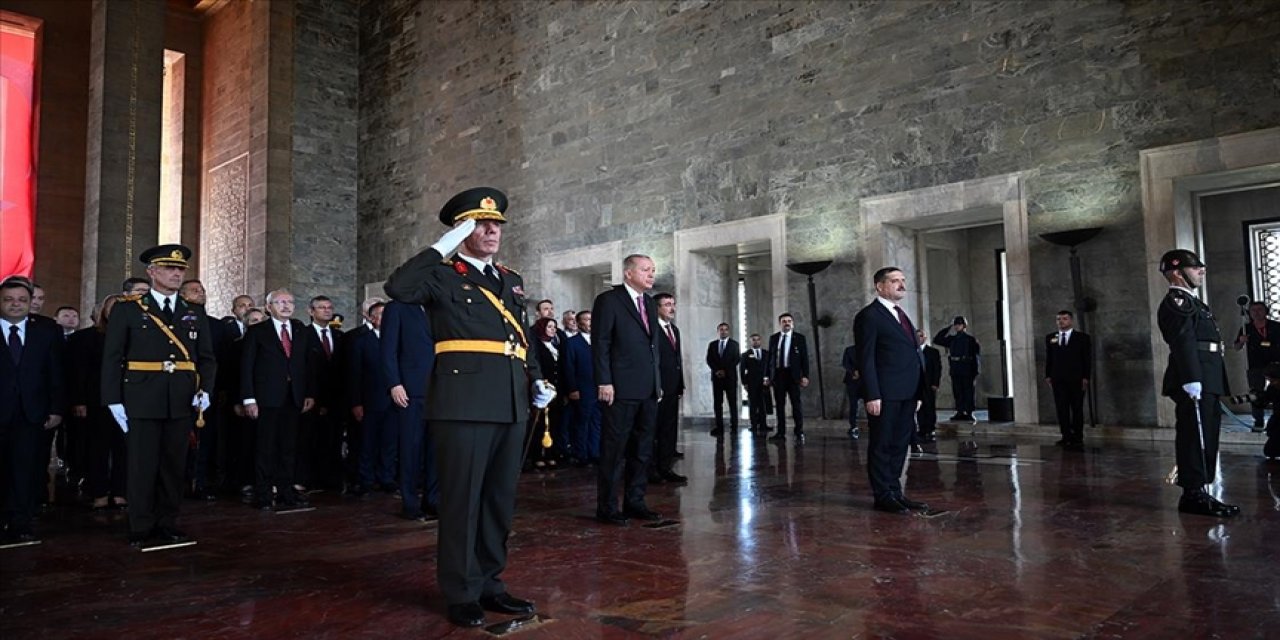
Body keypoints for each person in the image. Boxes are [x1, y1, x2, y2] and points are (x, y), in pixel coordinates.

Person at [383, 187, 552, 628]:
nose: (492, 230)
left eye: (496, 224)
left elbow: (521, 338)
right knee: (463, 501)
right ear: (462, 230)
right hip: (463, 404)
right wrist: (443, 245)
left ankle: (491, 582)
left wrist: (537, 379)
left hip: (511, 402)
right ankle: (460, 590)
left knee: (499, 501)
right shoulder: (441, 275)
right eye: (480, 224)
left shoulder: (511, 279)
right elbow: (398, 287)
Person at [101, 244, 216, 547]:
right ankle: (140, 525)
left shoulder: (194, 312)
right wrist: (113, 399)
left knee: (173, 465)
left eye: (180, 269)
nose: (176, 273)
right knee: (141, 465)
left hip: (180, 398)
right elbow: (113, 357)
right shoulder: (129, 309)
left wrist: (205, 389)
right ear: (152, 272)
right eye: (169, 268)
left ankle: (167, 522)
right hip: (141, 397)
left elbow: (206, 358)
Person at [1156, 249, 1238, 518]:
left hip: (1208, 376)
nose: (1201, 271)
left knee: (1208, 434)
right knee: (1195, 436)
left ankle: (1200, 490)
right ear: (1178, 273)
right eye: (1195, 268)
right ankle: (1193, 494)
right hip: (1195, 379)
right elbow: (1183, 342)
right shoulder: (1176, 302)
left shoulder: (1193, 302)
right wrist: (1192, 378)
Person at [591, 254, 663, 525]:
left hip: (648, 389)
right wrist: (604, 381)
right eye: (645, 270)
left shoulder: (649, 303)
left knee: (643, 450)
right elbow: (601, 344)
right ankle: (607, 507)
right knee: (614, 450)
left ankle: (635, 501)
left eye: (653, 270)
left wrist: (657, 384)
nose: (651, 274)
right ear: (628, 273)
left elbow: (653, 347)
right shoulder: (609, 301)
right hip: (619, 389)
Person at [854, 267, 928, 514]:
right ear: (879, 286)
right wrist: (872, 394)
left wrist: (918, 393)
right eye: (895, 281)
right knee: (882, 445)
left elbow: (912, 354)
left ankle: (895, 491)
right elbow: (866, 359)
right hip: (884, 394)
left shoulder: (901, 314)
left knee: (899, 445)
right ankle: (882, 495)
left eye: (903, 280)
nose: (902, 285)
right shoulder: (869, 316)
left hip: (907, 393)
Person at [0, 276, 64, 543]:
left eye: (22, 300)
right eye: (8, 300)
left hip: (32, 412)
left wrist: (57, 408)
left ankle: (20, 521)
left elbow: (57, 372)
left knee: (25, 469)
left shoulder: (47, 329)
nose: (16, 305)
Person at [240, 289, 317, 510]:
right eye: (280, 302)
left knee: (289, 448)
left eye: (290, 302)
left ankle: (286, 492)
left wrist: (309, 393)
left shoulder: (300, 330)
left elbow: (307, 365)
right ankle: (264, 494)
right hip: (266, 398)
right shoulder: (257, 332)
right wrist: (248, 399)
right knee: (265, 448)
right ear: (268, 307)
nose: (286, 306)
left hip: (294, 398)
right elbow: (247, 368)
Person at [379, 299, 437, 520]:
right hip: (410, 390)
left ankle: (433, 500)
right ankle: (410, 502)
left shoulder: (440, 305)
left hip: (440, 390)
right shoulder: (398, 307)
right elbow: (388, 349)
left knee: (436, 451)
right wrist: (394, 383)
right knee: (410, 449)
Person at [70, 295, 127, 511]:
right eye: (114, 307)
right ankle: (99, 492)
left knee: (125, 448)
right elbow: (79, 372)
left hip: (128, 400)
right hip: (97, 401)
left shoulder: (137, 335)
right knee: (97, 448)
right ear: (103, 311)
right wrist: (79, 401)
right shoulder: (87, 338)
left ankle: (121, 492)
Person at [349, 301, 397, 495]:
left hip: (394, 401)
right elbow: (354, 374)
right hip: (369, 401)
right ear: (372, 318)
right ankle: (366, 480)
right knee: (367, 443)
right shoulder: (361, 341)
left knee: (390, 443)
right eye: (381, 314)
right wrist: (356, 402)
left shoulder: (397, 340)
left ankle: (387, 478)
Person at [1045, 310, 1092, 450]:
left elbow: (1086, 359)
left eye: (1064, 319)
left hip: (1076, 378)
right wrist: (1048, 375)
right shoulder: (1051, 338)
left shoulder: (1082, 338)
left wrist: (1086, 377)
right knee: (1061, 408)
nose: (1061, 321)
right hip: (1057, 378)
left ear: (1071, 321)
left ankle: (1077, 436)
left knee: (1076, 407)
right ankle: (1065, 435)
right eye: (1058, 319)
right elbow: (1049, 358)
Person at [652, 292, 687, 484]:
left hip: (673, 388)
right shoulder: (651, 329)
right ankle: (652, 470)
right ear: (657, 308)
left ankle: (666, 468)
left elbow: (677, 360)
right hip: (657, 389)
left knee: (669, 429)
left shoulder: (674, 329)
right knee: (654, 430)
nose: (672, 308)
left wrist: (680, 384)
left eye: (673, 304)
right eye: (667, 304)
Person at [561, 310, 600, 465]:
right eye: (586, 319)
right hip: (582, 389)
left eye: (592, 319)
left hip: (599, 388)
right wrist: (572, 389)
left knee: (597, 422)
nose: (590, 322)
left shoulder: (598, 341)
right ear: (578, 323)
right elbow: (568, 367)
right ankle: (581, 453)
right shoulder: (572, 343)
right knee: (582, 422)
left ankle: (595, 452)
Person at [1235, 301, 1280, 432]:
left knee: (1277, 391)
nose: (1256, 312)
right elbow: (1236, 347)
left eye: (1260, 309)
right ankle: (1258, 421)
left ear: (1266, 311)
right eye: (1253, 310)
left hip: (1276, 364)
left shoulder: (1276, 326)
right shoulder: (1246, 328)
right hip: (1255, 364)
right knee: (1256, 393)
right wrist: (1241, 341)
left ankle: (1277, 419)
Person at [765, 313, 809, 442]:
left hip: (793, 375)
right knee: (779, 405)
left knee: (796, 404)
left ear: (793, 323)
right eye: (784, 321)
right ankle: (780, 433)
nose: (787, 323)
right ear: (780, 324)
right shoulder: (774, 338)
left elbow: (805, 359)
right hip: (778, 375)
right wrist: (767, 376)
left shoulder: (799, 338)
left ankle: (799, 431)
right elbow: (770, 359)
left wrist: (805, 375)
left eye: (789, 321)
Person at [526, 317, 562, 469]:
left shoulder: (557, 346)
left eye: (554, 327)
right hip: (541, 390)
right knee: (539, 425)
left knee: (554, 424)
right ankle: (536, 456)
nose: (553, 330)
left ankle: (550, 454)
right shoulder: (537, 346)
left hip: (555, 391)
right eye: (549, 327)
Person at [934, 316, 980, 422]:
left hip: (968, 368)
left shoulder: (971, 340)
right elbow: (937, 339)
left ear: (964, 326)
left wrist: (975, 371)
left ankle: (969, 412)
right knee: (957, 391)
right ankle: (959, 411)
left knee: (968, 391)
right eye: (955, 324)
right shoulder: (952, 339)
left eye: (959, 324)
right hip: (956, 368)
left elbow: (976, 356)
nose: (957, 326)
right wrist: (948, 327)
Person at [705, 322, 739, 437]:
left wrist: (725, 370)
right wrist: (716, 370)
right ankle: (719, 427)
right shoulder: (713, 345)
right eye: (721, 329)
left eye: (725, 329)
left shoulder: (734, 344)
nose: (723, 331)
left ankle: (734, 427)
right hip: (717, 378)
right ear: (718, 331)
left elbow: (736, 359)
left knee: (732, 403)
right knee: (717, 404)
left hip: (730, 378)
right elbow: (709, 359)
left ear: (728, 331)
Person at [740, 333, 771, 437]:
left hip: (764, 382)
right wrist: (744, 383)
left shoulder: (766, 353)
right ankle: (753, 425)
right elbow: (742, 370)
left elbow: (771, 367)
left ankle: (763, 424)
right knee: (752, 404)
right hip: (751, 382)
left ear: (760, 341)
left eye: (758, 339)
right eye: (754, 340)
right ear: (750, 341)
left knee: (763, 404)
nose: (756, 341)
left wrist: (769, 379)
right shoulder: (745, 355)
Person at [916, 330, 942, 445]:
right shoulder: (913, 351)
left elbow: (937, 368)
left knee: (929, 406)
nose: (919, 338)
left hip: (929, 384)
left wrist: (935, 383)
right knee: (919, 408)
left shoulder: (933, 352)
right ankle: (922, 429)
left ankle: (930, 429)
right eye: (916, 336)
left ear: (925, 338)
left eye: (921, 336)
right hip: (917, 385)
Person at [840, 343, 862, 439]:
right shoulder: (849, 350)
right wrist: (853, 371)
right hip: (852, 381)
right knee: (853, 405)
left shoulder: (868, 348)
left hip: (865, 381)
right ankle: (853, 425)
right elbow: (845, 363)